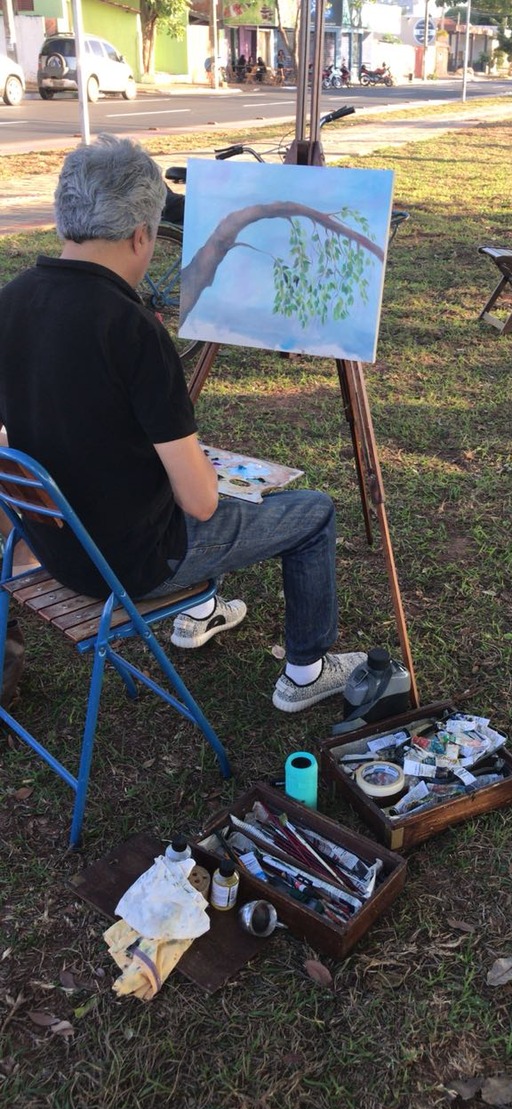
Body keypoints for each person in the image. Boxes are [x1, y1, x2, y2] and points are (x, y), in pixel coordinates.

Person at [0, 135, 365, 714]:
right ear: (142, 235)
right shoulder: (132, 328)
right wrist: (210, 476)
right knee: (312, 513)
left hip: (53, 550)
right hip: (130, 564)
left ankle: (202, 612)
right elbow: (198, 504)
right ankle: (307, 670)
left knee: (171, 466)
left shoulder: (11, 301)